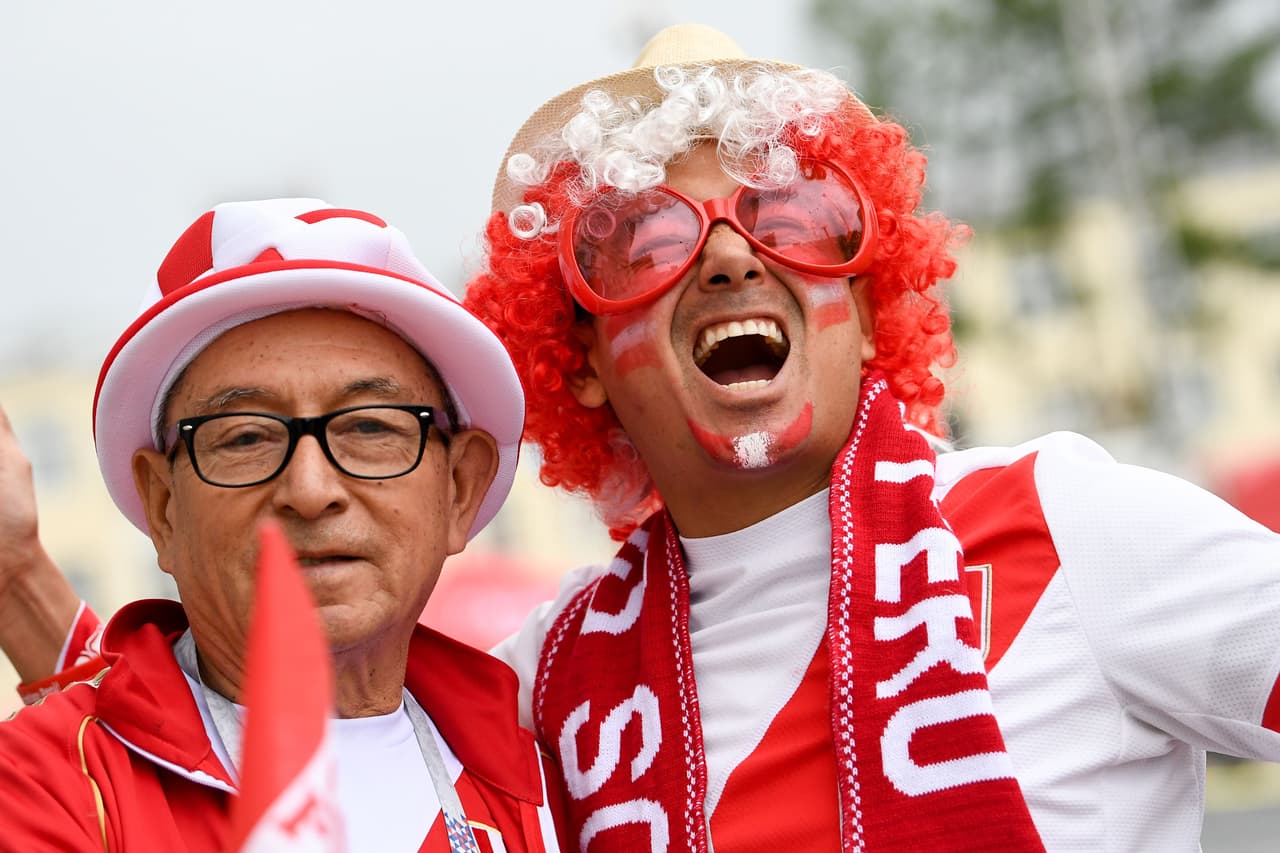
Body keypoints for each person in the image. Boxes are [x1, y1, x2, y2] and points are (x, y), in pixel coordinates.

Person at [5, 22, 1280, 853]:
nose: (729, 253)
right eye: (647, 243)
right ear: (579, 361)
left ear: (867, 288)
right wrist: (22, 582)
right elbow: (238, 726)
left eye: (792, 214)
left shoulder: (1061, 525)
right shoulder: (540, 681)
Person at [0, 198, 561, 851]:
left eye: (370, 426)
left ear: (459, 488)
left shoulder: (564, 779)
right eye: (245, 437)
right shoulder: (44, 790)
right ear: (163, 506)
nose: (310, 489)